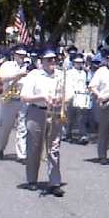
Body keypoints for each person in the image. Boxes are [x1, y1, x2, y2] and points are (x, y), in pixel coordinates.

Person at [19, 48, 71, 197]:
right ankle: (31, 180)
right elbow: (24, 97)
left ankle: (54, 182)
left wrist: (61, 100)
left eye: (54, 59)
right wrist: (41, 97)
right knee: (34, 148)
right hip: (37, 112)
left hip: (54, 113)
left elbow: (69, 94)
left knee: (54, 148)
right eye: (49, 59)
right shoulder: (34, 75)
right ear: (41, 61)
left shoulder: (61, 75)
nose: (52, 62)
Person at [0, 46, 29, 161]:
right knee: (6, 127)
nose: (22, 57)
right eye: (20, 55)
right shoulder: (7, 65)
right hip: (9, 100)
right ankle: (1, 148)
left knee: (22, 128)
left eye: (23, 55)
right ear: (14, 55)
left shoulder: (29, 67)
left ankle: (21, 154)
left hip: (23, 100)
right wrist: (18, 75)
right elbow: (2, 78)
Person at [66, 54, 90, 145]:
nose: (78, 64)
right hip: (72, 96)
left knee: (81, 117)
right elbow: (68, 84)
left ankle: (82, 135)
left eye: (80, 63)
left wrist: (86, 91)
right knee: (70, 117)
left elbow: (85, 84)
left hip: (81, 96)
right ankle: (68, 134)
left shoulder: (84, 73)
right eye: (77, 63)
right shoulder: (70, 72)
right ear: (73, 63)